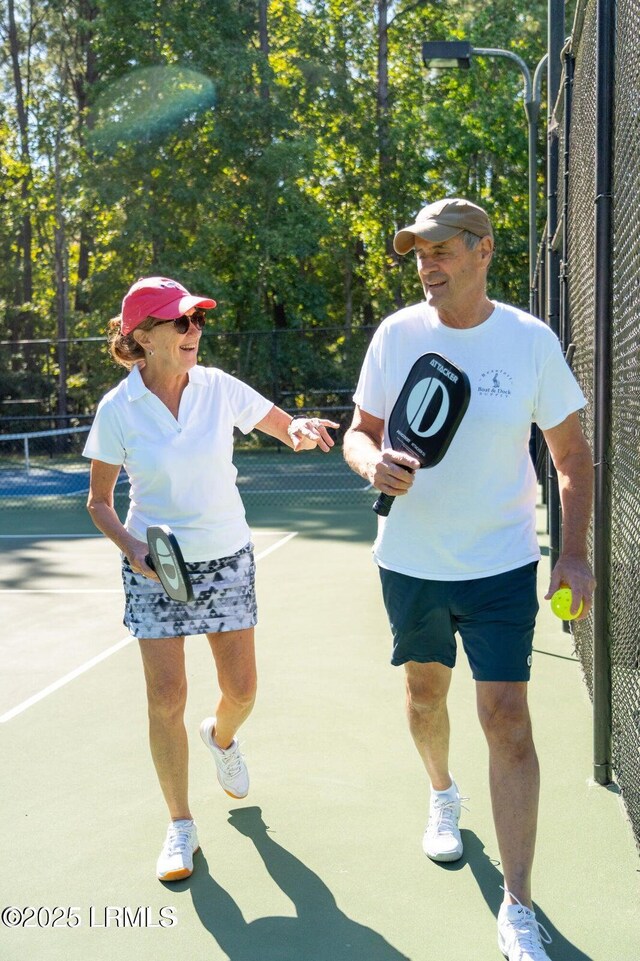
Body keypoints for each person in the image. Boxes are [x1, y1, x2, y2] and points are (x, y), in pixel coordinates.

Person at [343, 199, 595, 961]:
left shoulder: (529, 341)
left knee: (507, 718)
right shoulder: (395, 336)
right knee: (425, 694)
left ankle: (518, 904)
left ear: (483, 250)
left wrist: (574, 554)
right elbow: (360, 432)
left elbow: (572, 458)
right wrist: (368, 460)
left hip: (502, 564)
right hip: (411, 563)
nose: (427, 263)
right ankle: (443, 793)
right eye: (418, 252)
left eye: (442, 248)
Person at [83, 275, 338, 883]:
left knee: (243, 690)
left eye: (197, 321)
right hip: (157, 564)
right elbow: (99, 502)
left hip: (226, 557)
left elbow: (280, 424)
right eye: (181, 322)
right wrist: (132, 547)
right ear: (143, 337)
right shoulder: (118, 410)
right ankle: (180, 826)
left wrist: (298, 430)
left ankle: (221, 739)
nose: (194, 331)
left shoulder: (219, 388)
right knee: (165, 698)